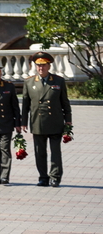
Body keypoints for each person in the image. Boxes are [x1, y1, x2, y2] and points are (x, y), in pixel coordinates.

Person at [21, 51, 72, 187]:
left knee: (55, 152)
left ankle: (55, 177)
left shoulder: (58, 81)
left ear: (49, 66)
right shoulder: (29, 81)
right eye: (38, 65)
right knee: (40, 153)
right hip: (37, 123)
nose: (40, 68)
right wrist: (23, 122)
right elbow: (25, 104)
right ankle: (43, 177)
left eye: (43, 65)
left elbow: (65, 102)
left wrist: (68, 120)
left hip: (55, 122)